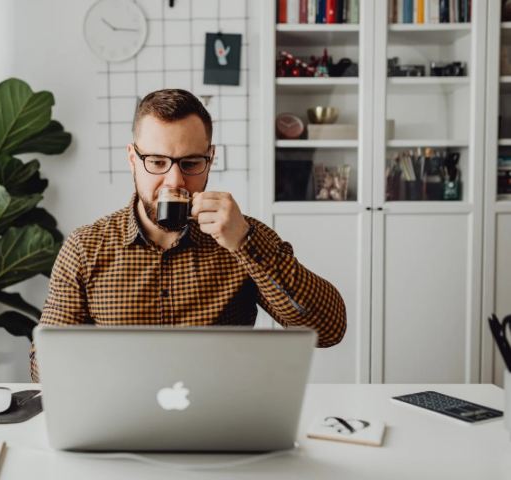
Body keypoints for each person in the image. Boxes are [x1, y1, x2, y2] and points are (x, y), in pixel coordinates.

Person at [30, 89, 346, 381]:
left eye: (191, 163)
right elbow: (44, 371)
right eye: (156, 162)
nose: (174, 181)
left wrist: (247, 244)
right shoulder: (86, 247)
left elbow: (329, 330)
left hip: (219, 422)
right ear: (132, 159)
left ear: (209, 160)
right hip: (121, 419)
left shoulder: (241, 236)